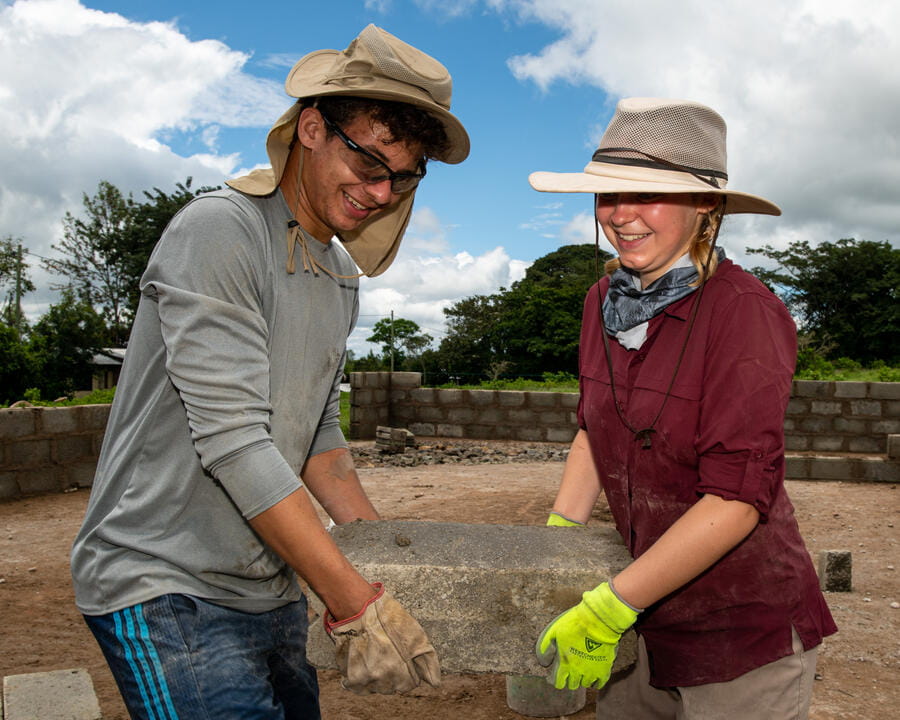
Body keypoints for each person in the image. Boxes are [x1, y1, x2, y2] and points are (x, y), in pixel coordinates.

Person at [70, 24, 468, 719]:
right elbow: (234, 440)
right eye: (370, 165)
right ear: (312, 128)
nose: (381, 194)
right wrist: (350, 600)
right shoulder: (221, 232)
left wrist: (381, 567)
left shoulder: (339, 274)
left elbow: (316, 437)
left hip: (268, 584)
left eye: (403, 179)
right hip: (164, 581)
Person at [528, 98, 836, 719]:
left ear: (706, 209)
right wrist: (555, 545)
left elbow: (736, 497)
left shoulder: (743, 314)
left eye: (649, 195)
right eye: (609, 197)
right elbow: (595, 428)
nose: (622, 216)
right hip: (639, 623)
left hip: (737, 635)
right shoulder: (600, 302)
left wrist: (610, 606)